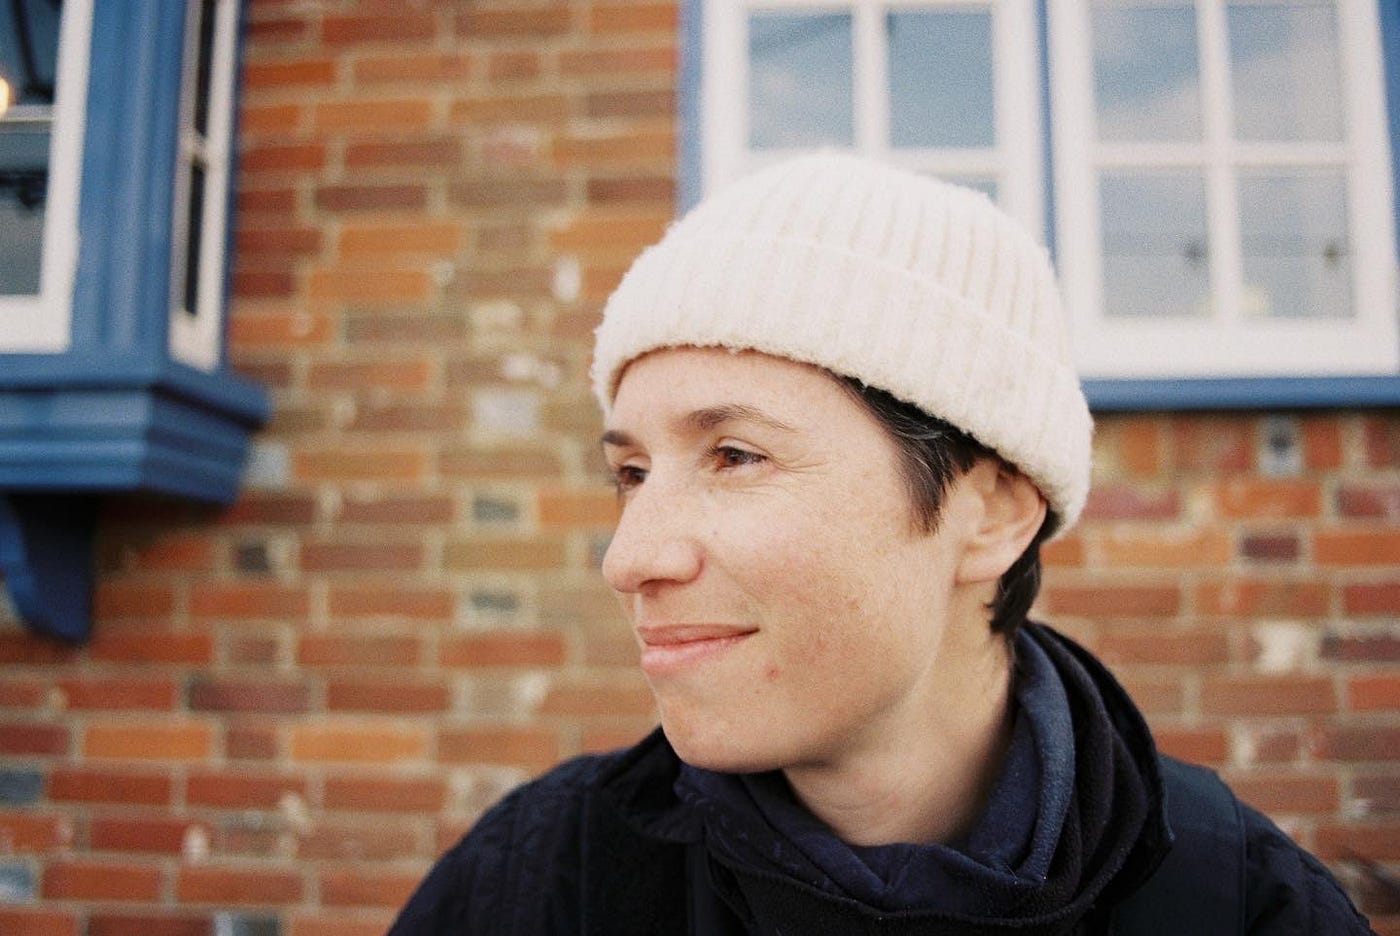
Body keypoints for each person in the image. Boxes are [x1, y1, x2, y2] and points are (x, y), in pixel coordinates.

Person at [388, 154, 1373, 935]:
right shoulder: (539, 882)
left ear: (989, 513)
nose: (628, 557)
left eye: (733, 456)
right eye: (631, 473)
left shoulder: (1237, 905)